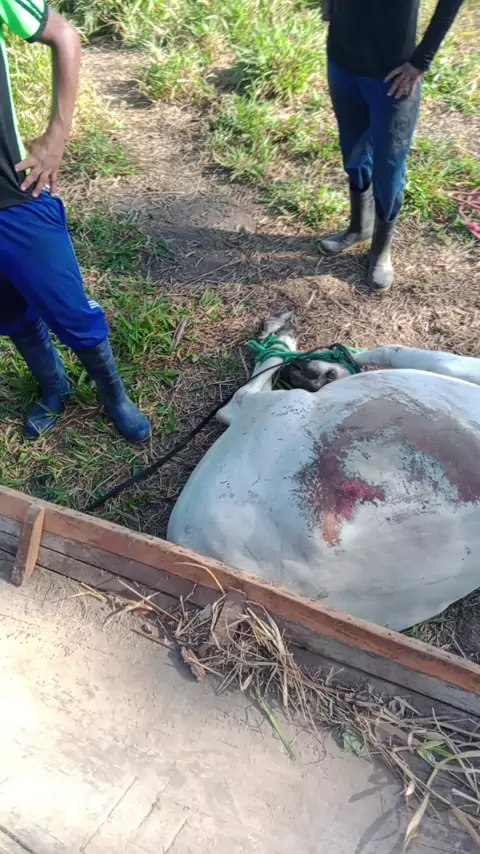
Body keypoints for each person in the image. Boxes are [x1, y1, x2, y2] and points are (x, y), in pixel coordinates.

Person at [0, 0, 151, 442]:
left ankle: (114, 395)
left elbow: (64, 35)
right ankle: (54, 386)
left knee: (69, 309)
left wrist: (56, 137)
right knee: (9, 312)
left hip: (14, 199)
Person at [318, 0, 464, 292]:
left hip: (393, 73)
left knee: (389, 165)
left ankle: (380, 250)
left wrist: (422, 60)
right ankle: (359, 228)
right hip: (342, 58)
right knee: (353, 152)